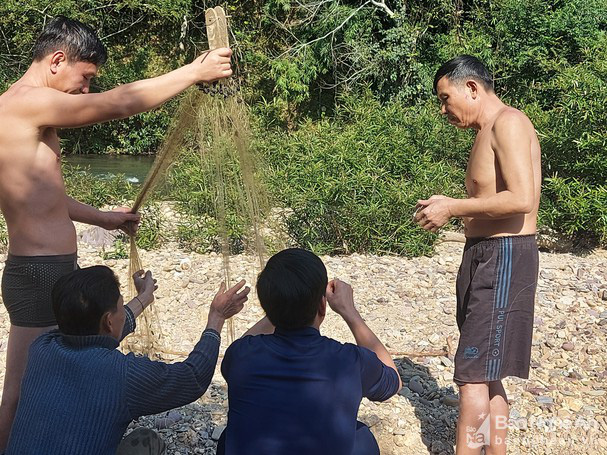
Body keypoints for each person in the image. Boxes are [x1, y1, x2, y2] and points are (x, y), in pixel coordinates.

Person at [0, 16, 232, 448]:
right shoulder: (26, 102)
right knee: (19, 394)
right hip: (39, 274)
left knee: (40, 386)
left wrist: (102, 218)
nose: (86, 88)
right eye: (85, 77)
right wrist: (194, 71)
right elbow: (118, 103)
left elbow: (43, 198)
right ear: (57, 60)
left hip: (40, 270)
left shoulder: (14, 110)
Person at [415, 55, 541, 455]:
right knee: (487, 373)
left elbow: (523, 198)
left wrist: (453, 206)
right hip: (485, 255)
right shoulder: (486, 129)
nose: (443, 109)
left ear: (471, 87)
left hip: (505, 257)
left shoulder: (509, 123)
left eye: (445, 97)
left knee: (471, 376)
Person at [5, 265, 250, 454]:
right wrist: (216, 317)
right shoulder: (123, 375)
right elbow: (192, 377)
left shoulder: (41, 348)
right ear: (109, 321)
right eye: (121, 307)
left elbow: (99, 332)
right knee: (146, 440)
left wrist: (145, 296)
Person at [217, 248, 402, 455]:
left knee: (228, 437)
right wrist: (350, 312)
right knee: (361, 436)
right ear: (322, 306)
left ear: (267, 307)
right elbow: (394, 382)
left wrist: (281, 306)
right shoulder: (350, 361)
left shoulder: (242, 355)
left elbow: (240, 349)